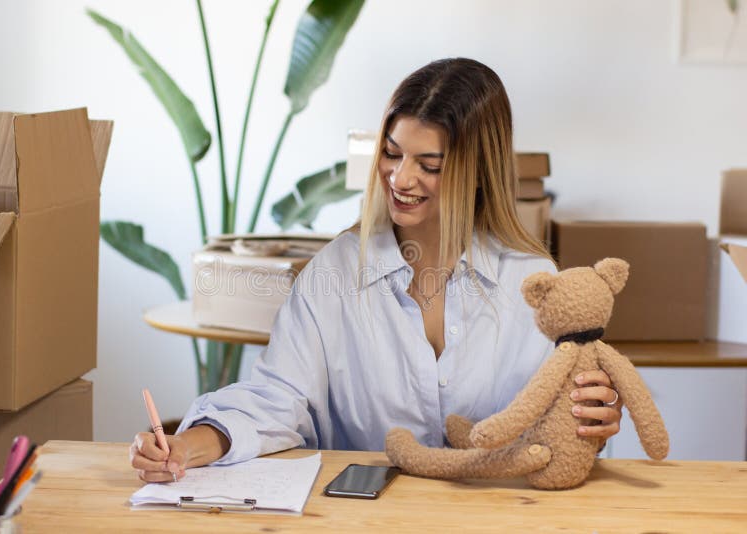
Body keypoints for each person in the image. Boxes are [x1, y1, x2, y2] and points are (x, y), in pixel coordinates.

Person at [130, 58, 623, 482]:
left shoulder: (532, 279)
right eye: (391, 153)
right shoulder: (334, 274)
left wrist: (592, 419)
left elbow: (558, 420)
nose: (401, 178)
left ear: (478, 172)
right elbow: (277, 397)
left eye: (429, 165)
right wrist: (187, 446)